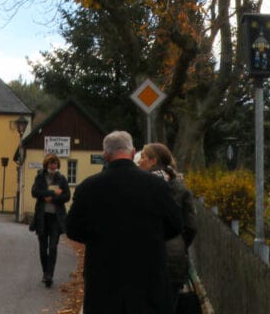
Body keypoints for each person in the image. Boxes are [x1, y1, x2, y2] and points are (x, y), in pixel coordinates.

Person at [65, 130, 183, 314]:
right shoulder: (157, 186)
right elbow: (176, 225)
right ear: (132, 151)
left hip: (103, 277)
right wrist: (153, 236)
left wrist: (96, 237)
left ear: (105, 155)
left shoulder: (88, 187)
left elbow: (72, 229)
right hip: (148, 276)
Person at [137, 143, 197, 308]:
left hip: (145, 258)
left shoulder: (142, 185)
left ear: (153, 161)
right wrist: (179, 243)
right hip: (175, 259)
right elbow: (191, 225)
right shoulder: (180, 187)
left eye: (143, 157)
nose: (140, 161)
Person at [30, 152, 71, 287]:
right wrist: (51, 193)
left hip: (56, 218)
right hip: (42, 217)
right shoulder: (40, 177)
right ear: (46, 165)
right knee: (43, 247)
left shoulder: (62, 179)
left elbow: (66, 196)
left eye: (55, 164)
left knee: (53, 247)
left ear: (57, 165)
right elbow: (35, 192)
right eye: (51, 164)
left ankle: (49, 275)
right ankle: (45, 272)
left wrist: (53, 198)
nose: (53, 166)